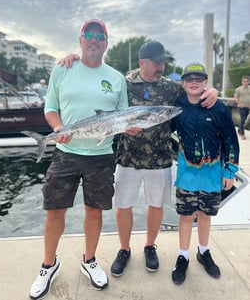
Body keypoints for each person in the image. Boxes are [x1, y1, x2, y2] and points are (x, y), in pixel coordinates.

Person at [60, 41, 218, 277]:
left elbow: (194, 92)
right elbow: (96, 87)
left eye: (163, 62)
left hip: (161, 157)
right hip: (127, 158)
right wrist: (74, 60)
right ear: (142, 62)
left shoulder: (171, 88)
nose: (161, 66)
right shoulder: (123, 82)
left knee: (156, 205)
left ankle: (149, 246)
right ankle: (124, 249)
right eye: (156, 62)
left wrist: (211, 90)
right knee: (124, 207)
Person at [29, 19, 129, 300]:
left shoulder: (117, 78)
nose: (94, 40)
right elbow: (51, 108)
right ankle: (49, 264)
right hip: (67, 152)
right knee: (54, 210)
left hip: (101, 156)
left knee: (95, 211)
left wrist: (130, 126)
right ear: (81, 40)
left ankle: (89, 260)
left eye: (100, 36)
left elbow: (122, 116)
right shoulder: (63, 69)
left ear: (106, 43)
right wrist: (58, 129)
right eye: (90, 35)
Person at [171, 63, 239, 285]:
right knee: (185, 216)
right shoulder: (177, 107)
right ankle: (183, 255)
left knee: (206, 215)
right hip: (186, 174)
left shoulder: (217, 107)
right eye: (189, 79)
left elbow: (230, 139)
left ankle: (203, 251)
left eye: (198, 79)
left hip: (212, 174)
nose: (193, 82)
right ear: (183, 83)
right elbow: (162, 129)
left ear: (205, 82)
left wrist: (230, 170)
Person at [234, 75, 250, 140]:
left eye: (247, 81)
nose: (245, 82)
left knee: (245, 120)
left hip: (249, 106)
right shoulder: (238, 89)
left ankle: (239, 130)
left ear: (249, 82)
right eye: (244, 81)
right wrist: (241, 104)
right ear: (242, 82)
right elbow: (235, 98)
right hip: (242, 107)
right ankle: (242, 134)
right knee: (243, 120)